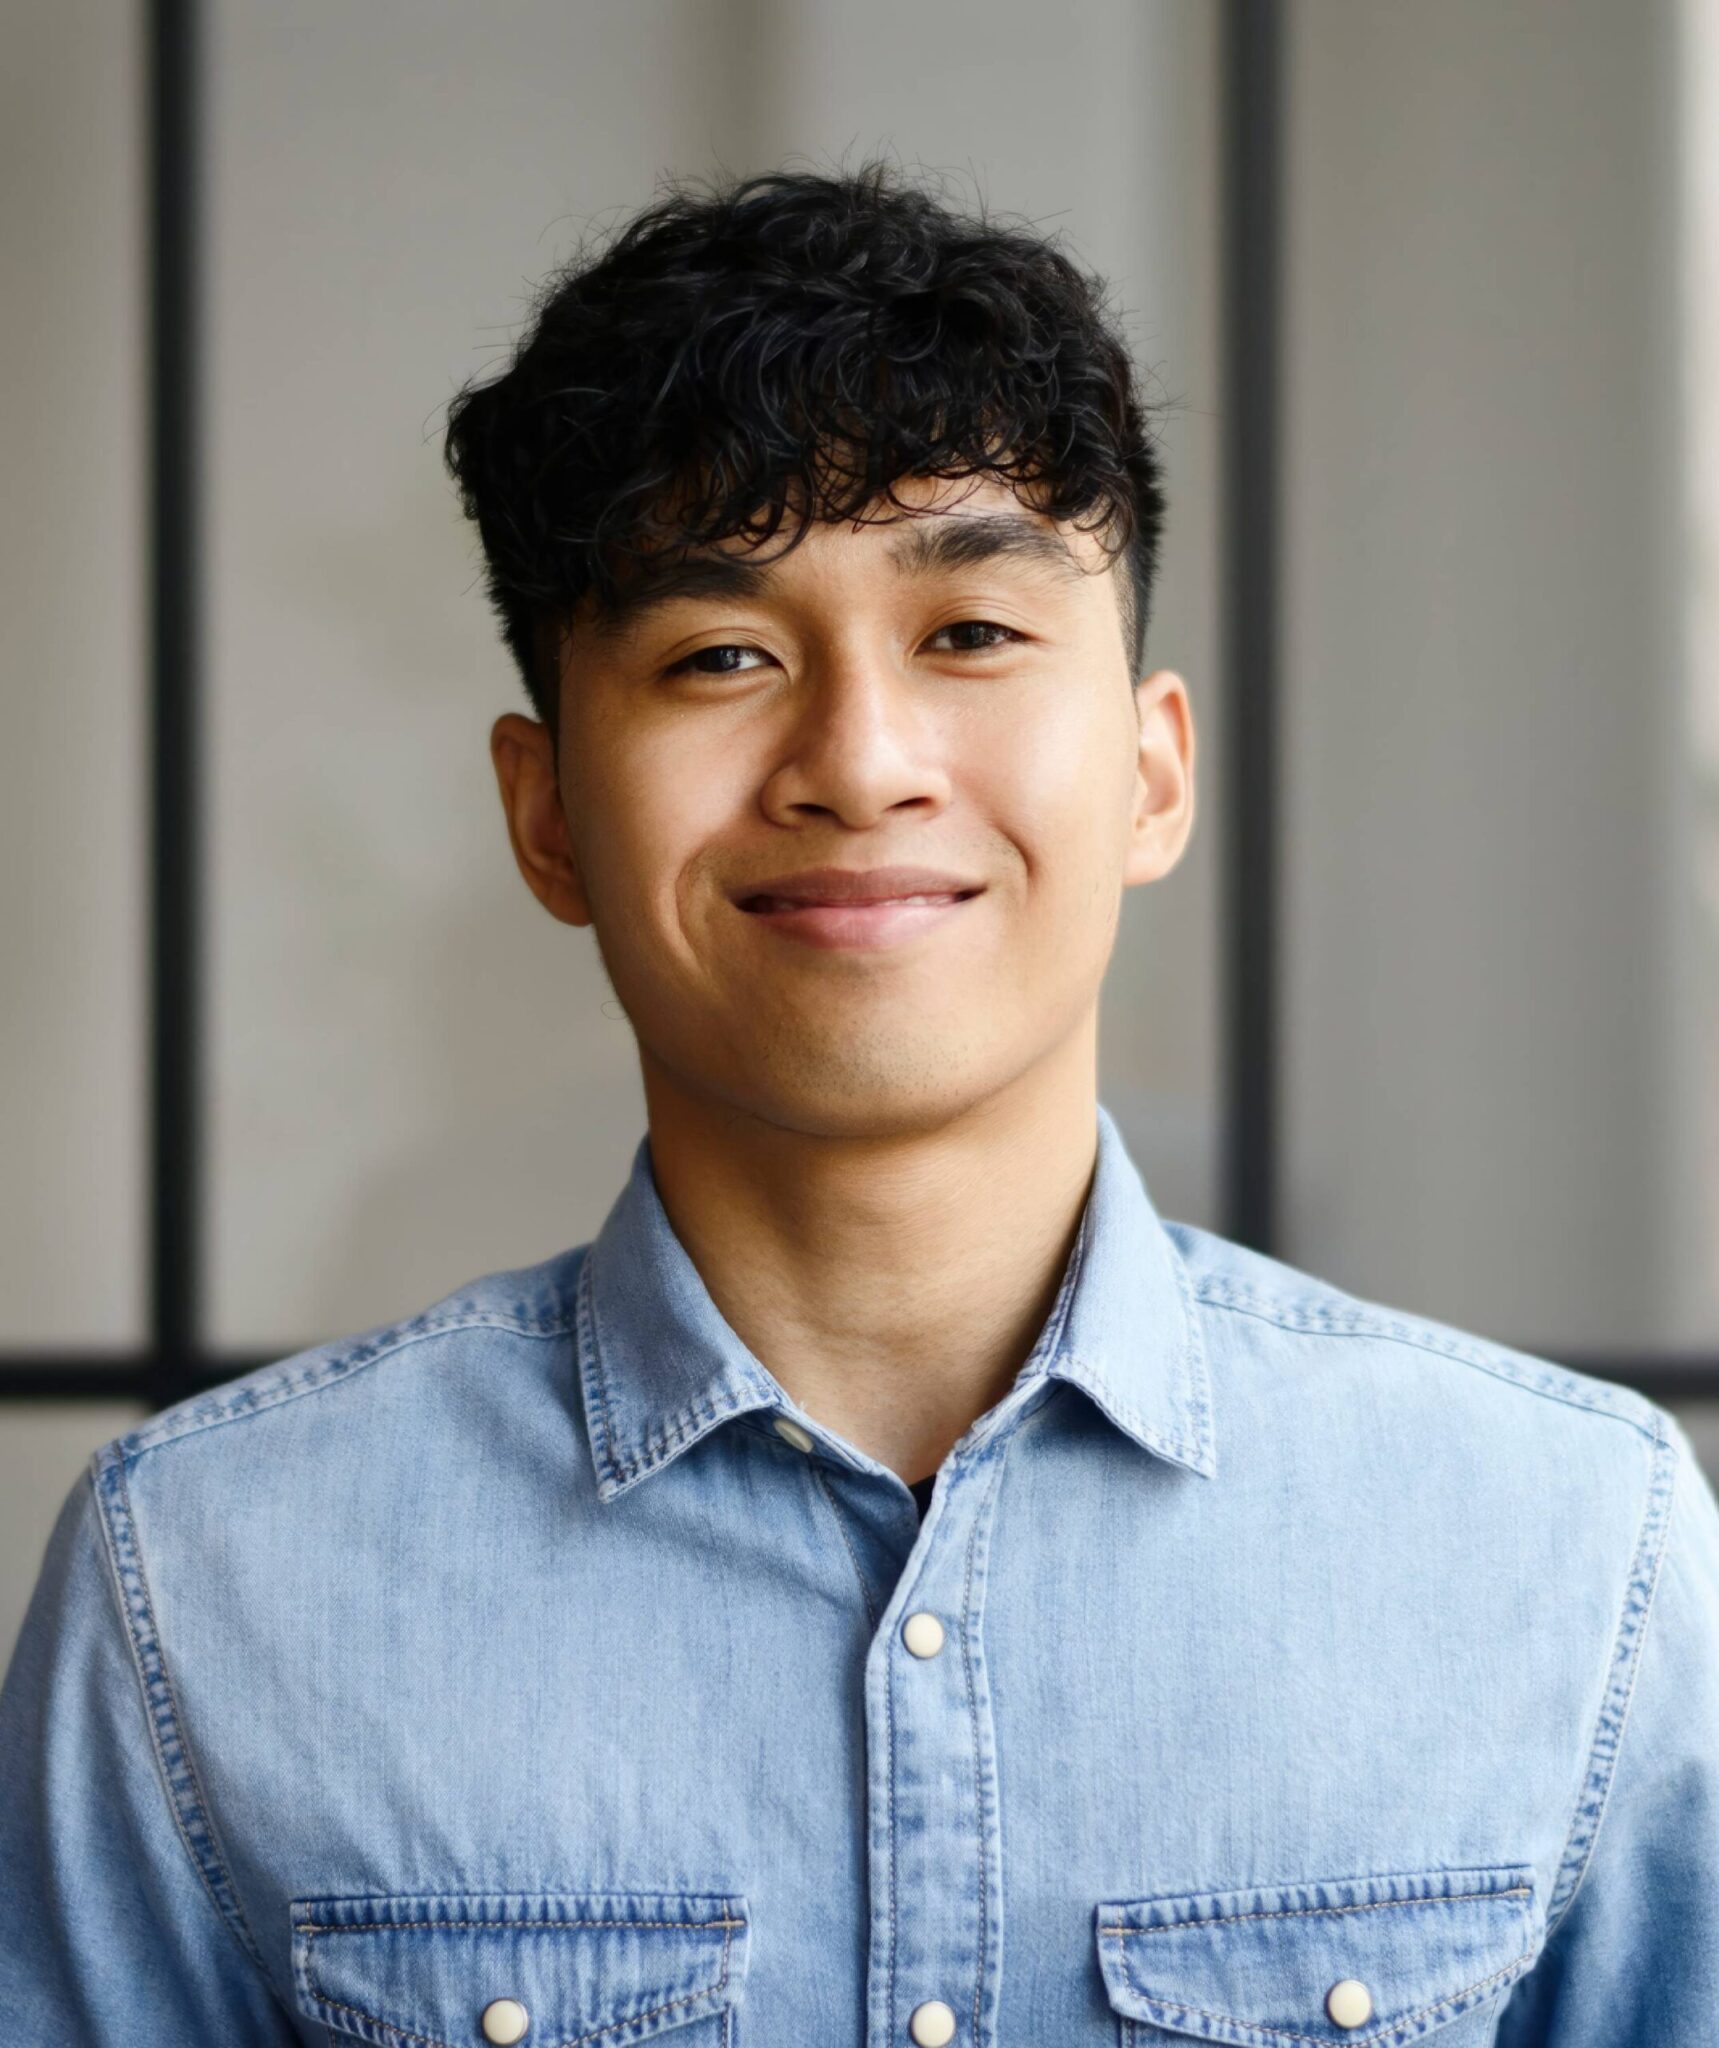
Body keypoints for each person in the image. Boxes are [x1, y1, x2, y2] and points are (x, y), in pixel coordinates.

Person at [3, 161, 1716, 2048]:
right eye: (721, 654)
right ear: (549, 812)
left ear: (1151, 776)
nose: (860, 762)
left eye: (970, 633)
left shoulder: (1573, 1546)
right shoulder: (204, 1583)